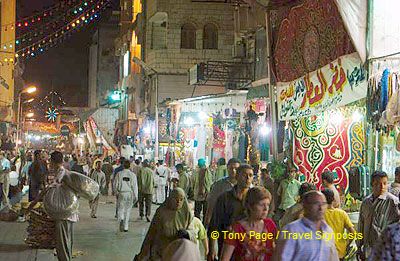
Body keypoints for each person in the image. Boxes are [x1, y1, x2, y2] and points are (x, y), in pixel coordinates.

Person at [273, 191, 339, 260]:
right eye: (316, 204)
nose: (321, 208)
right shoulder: (292, 231)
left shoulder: (328, 231)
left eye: (323, 204)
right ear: (305, 205)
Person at [208, 164, 254, 261]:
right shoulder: (224, 198)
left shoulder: (254, 198)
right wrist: (212, 248)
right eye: (244, 175)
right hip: (226, 243)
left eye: (250, 175)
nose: (248, 178)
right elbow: (214, 224)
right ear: (237, 176)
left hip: (248, 245)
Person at [136, 188, 195, 260]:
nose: (178, 202)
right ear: (170, 199)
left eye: (181, 199)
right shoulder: (161, 212)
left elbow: (193, 230)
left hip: (180, 253)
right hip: (162, 251)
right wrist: (143, 253)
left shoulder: (186, 213)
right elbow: (151, 233)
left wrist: (187, 233)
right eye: (175, 199)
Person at [221, 186, 277, 261]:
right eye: (261, 204)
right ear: (250, 206)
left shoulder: (270, 225)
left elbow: (278, 251)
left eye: (268, 205)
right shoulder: (237, 229)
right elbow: (224, 258)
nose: (266, 209)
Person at [357, 170, 400, 259]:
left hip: (384, 251)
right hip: (367, 249)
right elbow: (361, 225)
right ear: (372, 184)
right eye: (377, 183)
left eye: (385, 183)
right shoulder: (366, 202)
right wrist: (359, 246)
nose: (382, 187)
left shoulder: (393, 202)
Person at [49, 151, 79, 261]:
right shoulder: (63, 171)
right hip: (67, 212)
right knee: (66, 241)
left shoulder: (61, 172)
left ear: (52, 161)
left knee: (63, 243)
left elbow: (54, 186)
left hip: (63, 213)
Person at [205, 158, 240, 227]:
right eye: (231, 168)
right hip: (221, 220)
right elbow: (211, 203)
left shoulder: (243, 185)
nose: (233, 171)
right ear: (227, 168)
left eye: (236, 168)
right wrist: (208, 220)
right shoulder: (219, 185)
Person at [321, 189, 356, 259]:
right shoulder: (342, 213)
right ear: (333, 199)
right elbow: (353, 232)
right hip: (340, 253)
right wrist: (347, 244)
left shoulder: (319, 215)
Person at [115, 160, 138, 232]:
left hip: (122, 192)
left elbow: (115, 184)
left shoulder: (119, 174)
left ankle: (121, 218)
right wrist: (136, 196)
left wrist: (116, 192)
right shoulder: (133, 175)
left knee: (121, 208)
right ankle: (126, 227)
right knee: (128, 210)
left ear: (123, 165)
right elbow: (135, 186)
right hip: (130, 193)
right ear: (130, 166)